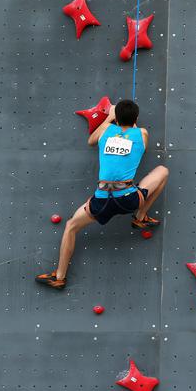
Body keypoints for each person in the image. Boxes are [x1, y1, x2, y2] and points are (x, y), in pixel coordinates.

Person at [35, 100, 169, 289]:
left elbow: (91, 141)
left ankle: (59, 277)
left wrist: (109, 117)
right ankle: (140, 217)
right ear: (136, 119)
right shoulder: (142, 133)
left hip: (102, 200)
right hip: (129, 199)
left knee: (71, 227)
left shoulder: (106, 132)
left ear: (116, 118)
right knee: (162, 171)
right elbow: (139, 141)